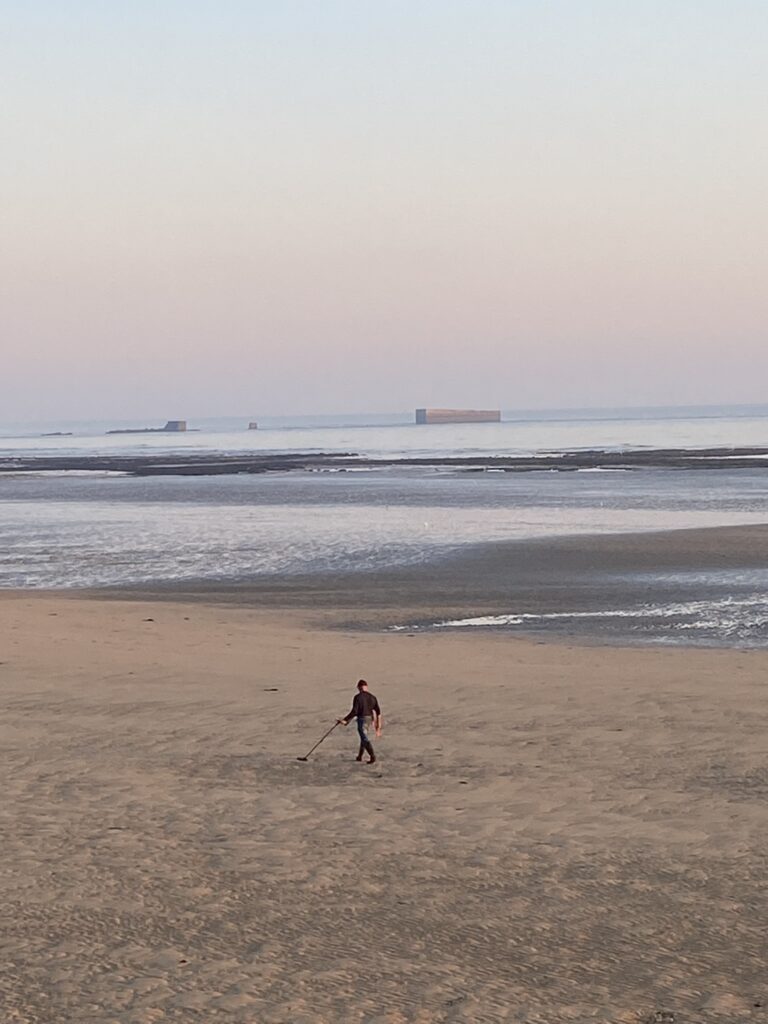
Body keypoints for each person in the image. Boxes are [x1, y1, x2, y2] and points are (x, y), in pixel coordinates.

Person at [338, 679, 382, 764]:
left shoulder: (357, 697)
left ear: (358, 687)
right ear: (366, 687)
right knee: (363, 737)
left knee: (364, 738)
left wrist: (345, 720)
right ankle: (360, 756)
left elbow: (355, 711)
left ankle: (372, 756)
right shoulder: (372, 697)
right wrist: (378, 727)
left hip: (362, 719)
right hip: (369, 719)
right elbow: (378, 712)